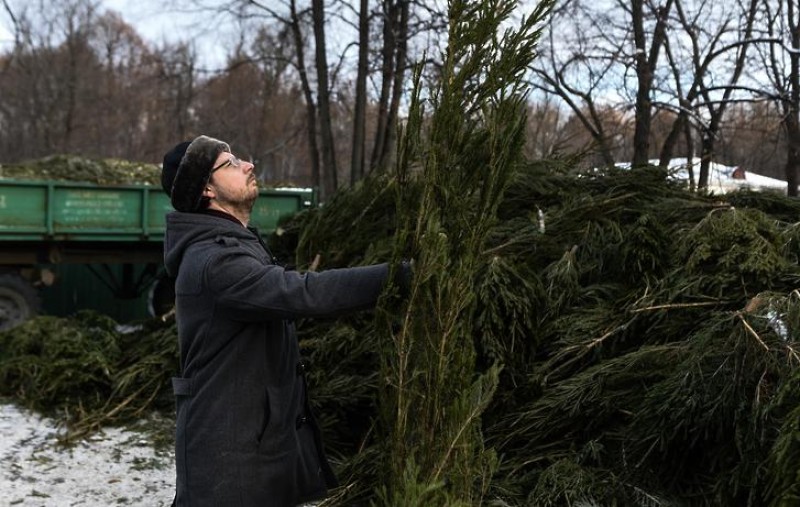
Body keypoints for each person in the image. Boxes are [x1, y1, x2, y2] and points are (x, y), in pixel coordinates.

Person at [161, 135, 407, 506]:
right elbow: (303, 292)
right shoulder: (216, 261)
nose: (248, 165)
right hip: (228, 463)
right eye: (230, 163)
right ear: (207, 188)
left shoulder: (234, 244)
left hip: (249, 449)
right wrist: (397, 278)